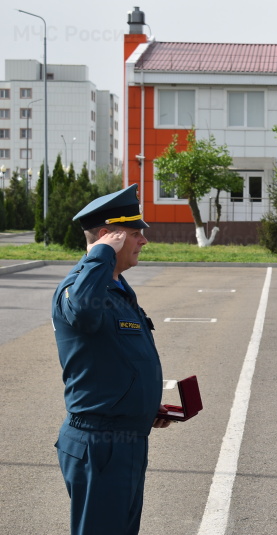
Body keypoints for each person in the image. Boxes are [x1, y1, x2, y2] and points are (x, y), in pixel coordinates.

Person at [52, 184, 171, 534]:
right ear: (109, 236)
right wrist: (101, 253)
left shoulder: (117, 290)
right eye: (135, 233)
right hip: (99, 445)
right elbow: (85, 316)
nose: (143, 241)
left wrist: (145, 407)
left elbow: (118, 362)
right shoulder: (79, 287)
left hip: (127, 440)